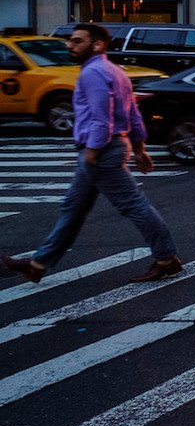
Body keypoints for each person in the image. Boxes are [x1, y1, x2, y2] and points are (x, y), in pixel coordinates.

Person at [2, 23, 181, 285]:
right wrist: (139, 148)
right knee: (73, 209)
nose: (69, 45)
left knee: (133, 204)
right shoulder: (114, 71)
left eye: (76, 41)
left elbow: (101, 117)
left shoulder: (93, 73)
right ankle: (38, 264)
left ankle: (166, 258)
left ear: (96, 45)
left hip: (101, 151)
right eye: (70, 41)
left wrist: (93, 152)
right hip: (110, 147)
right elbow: (131, 112)